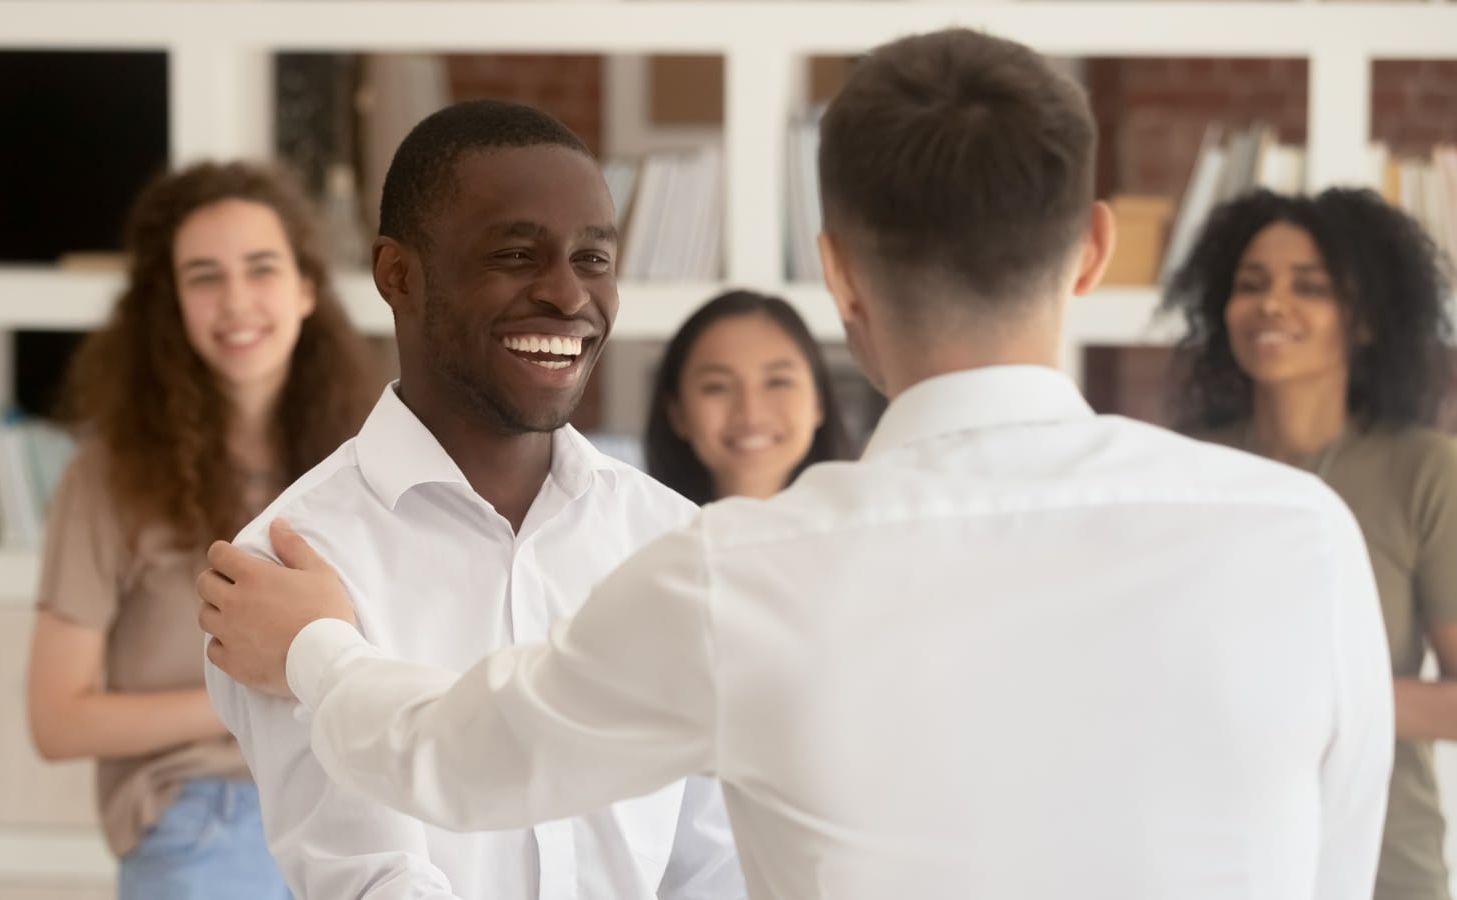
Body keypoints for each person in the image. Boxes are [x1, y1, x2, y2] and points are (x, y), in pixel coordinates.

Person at [200, 30, 1394, 900]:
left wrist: (313, 648)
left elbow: (455, 760)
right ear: (1089, 252)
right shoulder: (1300, 537)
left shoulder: (732, 567)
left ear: (836, 275)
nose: (565, 291)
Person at [200, 99, 744, 899]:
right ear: (399, 275)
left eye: (593, 259)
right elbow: (373, 881)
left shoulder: (674, 541)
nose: (567, 296)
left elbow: (715, 864)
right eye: (517, 255)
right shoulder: (283, 575)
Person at [25, 160, 382, 900]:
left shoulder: (369, 465)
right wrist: (258, 691)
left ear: (307, 288)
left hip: (357, 806)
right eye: (203, 277)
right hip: (206, 815)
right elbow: (55, 719)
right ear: (171, 304)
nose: (237, 302)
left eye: (261, 269)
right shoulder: (105, 479)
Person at [1163, 187, 1457, 900]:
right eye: (1250, 285)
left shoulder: (1424, 470)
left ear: (1364, 321)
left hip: (1384, 865)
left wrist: (1297, 696)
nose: (1271, 305)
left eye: (1311, 287)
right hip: (1206, 857)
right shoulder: (1180, 468)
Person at [644, 290, 853, 504]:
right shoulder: (636, 532)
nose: (750, 412)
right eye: (717, 387)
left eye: (777, 382)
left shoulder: (870, 532)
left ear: (818, 402)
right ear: (677, 414)